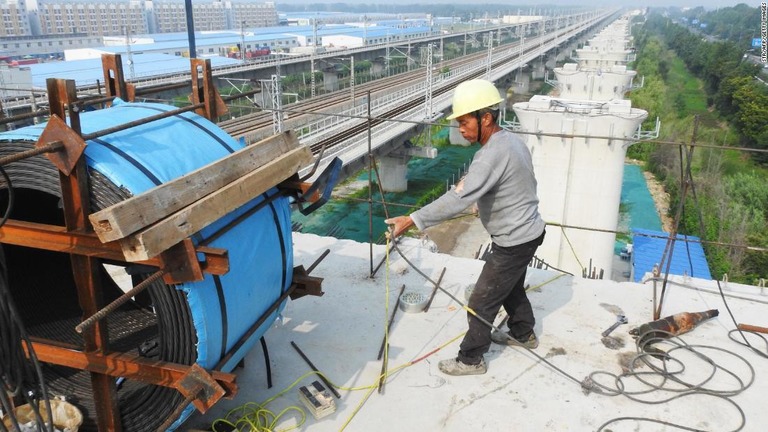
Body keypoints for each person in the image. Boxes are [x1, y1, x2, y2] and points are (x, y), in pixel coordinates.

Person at [385, 79, 546, 376]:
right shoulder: (511, 140)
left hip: (513, 241)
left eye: (464, 122)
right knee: (509, 288)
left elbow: (456, 199)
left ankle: (471, 360)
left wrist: (411, 220)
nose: (460, 129)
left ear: (485, 118)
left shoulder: (489, 156)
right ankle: (524, 334)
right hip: (529, 232)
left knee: (481, 301)